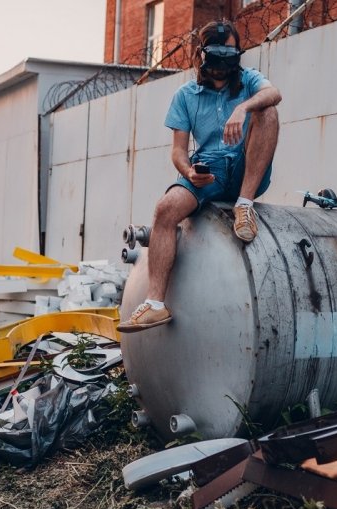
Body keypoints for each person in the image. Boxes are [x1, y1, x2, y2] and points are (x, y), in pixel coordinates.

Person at [118, 19, 282, 333]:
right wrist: (189, 172)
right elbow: (178, 151)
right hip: (209, 173)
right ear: (202, 55)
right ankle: (155, 304)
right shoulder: (185, 95)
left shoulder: (249, 80)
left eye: (229, 56)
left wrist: (243, 108)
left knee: (268, 109)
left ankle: (244, 207)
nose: (222, 67)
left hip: (249, 168)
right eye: (216, 58)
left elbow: (274, 93)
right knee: (165, 210)